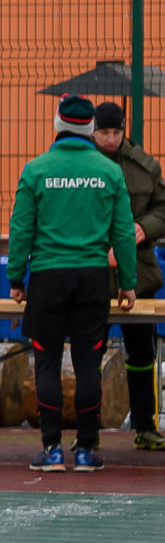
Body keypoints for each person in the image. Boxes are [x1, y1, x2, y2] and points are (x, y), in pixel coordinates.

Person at [9, 93, 138, 472]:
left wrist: (17, 277)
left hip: (48, 278)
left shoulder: (35, 170)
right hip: (92, 280)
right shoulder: (109, 171)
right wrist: (127, 283)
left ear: (58, 124)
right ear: (92, 129)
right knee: (87, 364)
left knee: (46, 363)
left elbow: (21, 229)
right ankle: (85, 449)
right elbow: (124, 235)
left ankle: (51, 449)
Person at [91, 101, 165, 450]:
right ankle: (86, 432)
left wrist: (143, 227)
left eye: (116, 132)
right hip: (92, 276)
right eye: (104, 132)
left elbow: (163, 207)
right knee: (89, 354)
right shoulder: (80, 165)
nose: (110, 139)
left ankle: (146, 426)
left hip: (139, 276)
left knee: (142, 353)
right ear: (93, 131)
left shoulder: (144, 165)